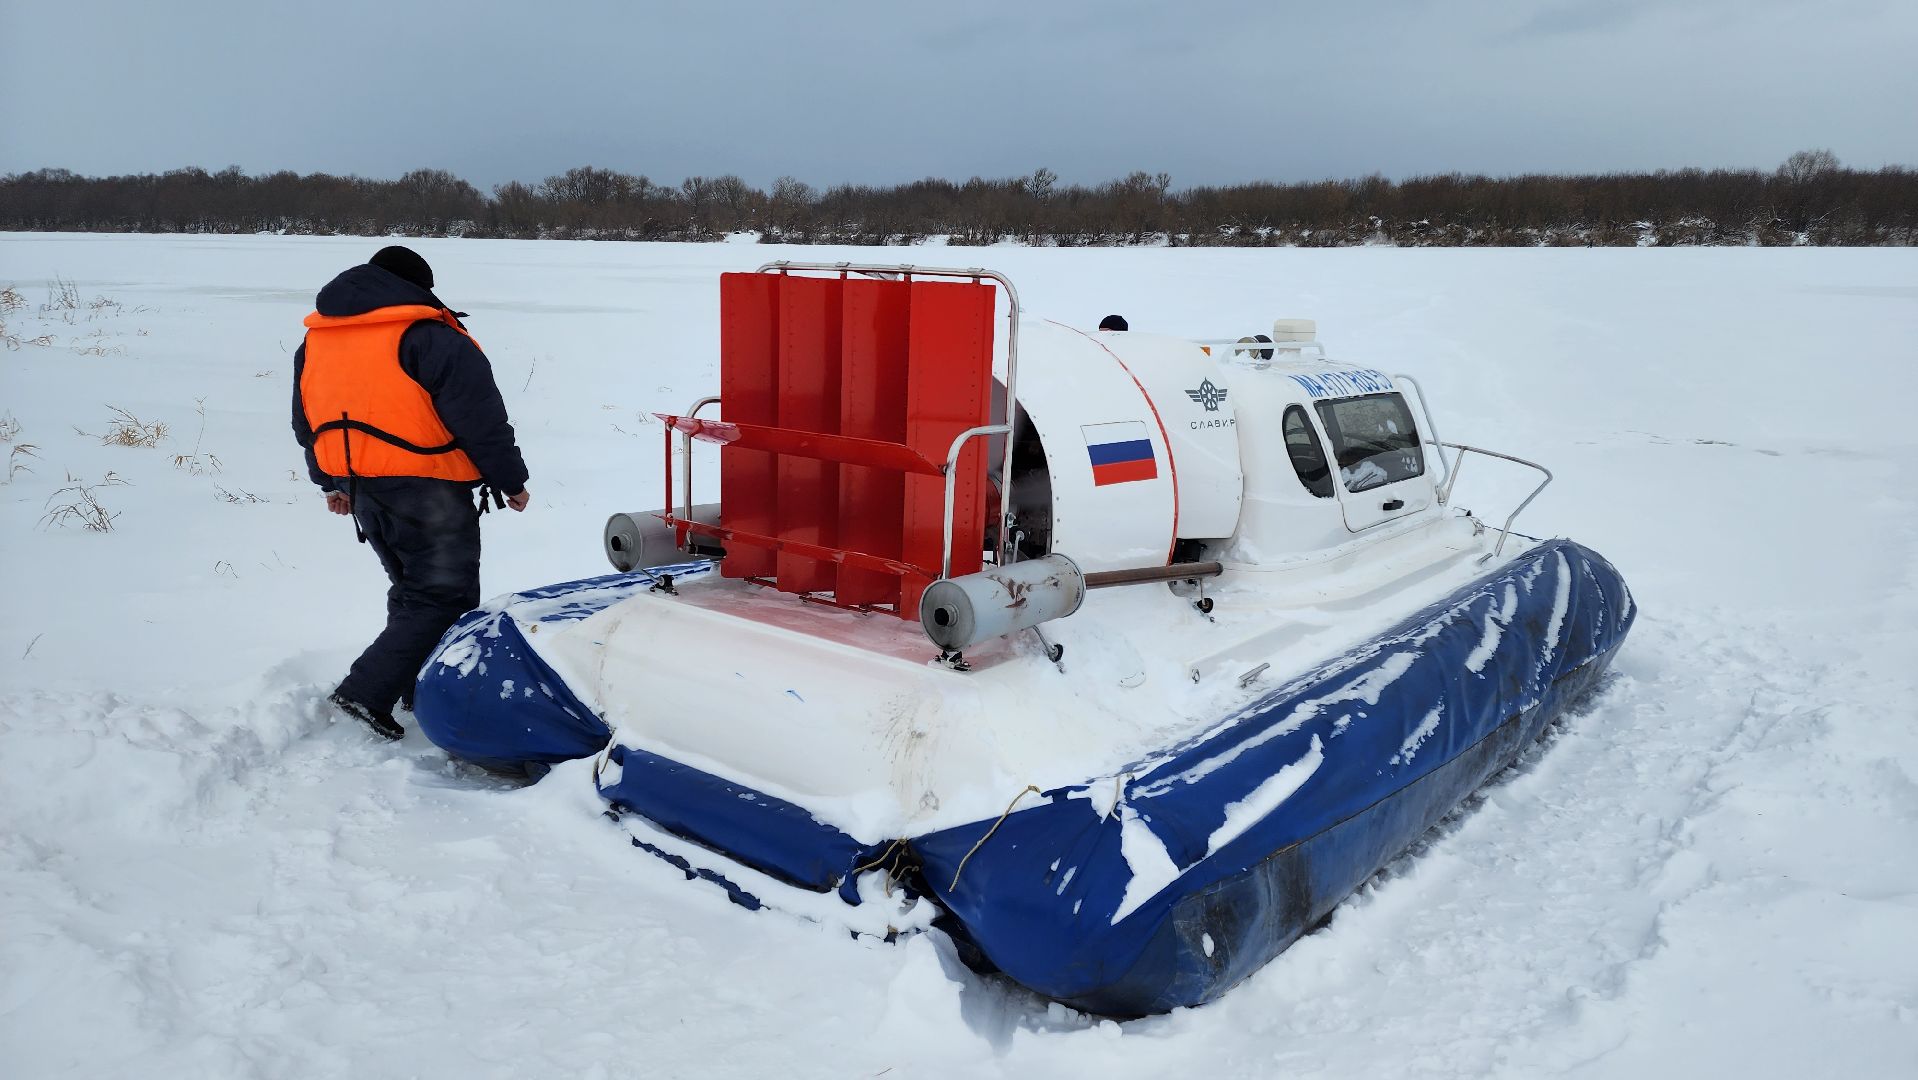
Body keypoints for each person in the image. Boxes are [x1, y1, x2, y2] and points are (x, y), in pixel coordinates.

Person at [291, 245, 530, 740]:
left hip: (362, 486)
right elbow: (480, 418)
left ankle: (415, 685)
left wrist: (332, 482)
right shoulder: (429, 337)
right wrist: (511, 479)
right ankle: (365, 692)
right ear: (417, 288)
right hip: (428, 487)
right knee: (442, 595)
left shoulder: (318, 341)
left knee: (412, 589)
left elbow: (307, 422)